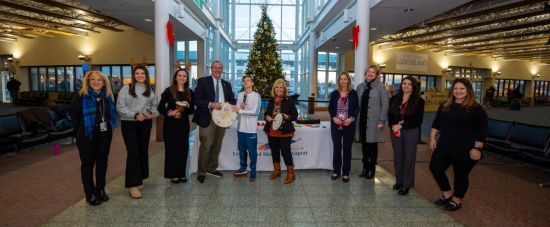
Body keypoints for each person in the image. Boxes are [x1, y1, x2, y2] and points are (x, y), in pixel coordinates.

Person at [429, 78, 488, 211]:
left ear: (468, 90)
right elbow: (437, 123)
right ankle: (447, 193)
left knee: (460, 175)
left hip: (466, 148)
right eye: (455, 88)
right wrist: (432, 138)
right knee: (435, 168)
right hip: (445, 145)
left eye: (462, 89)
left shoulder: (476, 109)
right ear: (452, 90)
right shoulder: (445, 105)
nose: (458, 91)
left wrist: (477, 148)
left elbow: (481, 130)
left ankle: (457, 199)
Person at [70, 71, 118, 206]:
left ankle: (100, 190)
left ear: (104, 82)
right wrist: (79, 134)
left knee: (102, 161)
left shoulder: (108, 97)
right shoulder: (80, 97)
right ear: (88, 81)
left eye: (99, 80)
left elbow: (110, 115)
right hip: (86, 134)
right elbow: (74, 118)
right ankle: (89, 193)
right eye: (93, 80)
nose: (96, 82)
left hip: (105, 133)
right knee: (88, 164)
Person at [116, 65, 159, 199]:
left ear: (146, 76)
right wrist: (134, 115)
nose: (140, 75)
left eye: (143, 73)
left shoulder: (149, 90)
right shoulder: (126, 89)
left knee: (142, 151)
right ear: (134, 75)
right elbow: (119, 108)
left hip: (145, 124)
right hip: (129, 124)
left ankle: (139, 178)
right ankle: (132, 185)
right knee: (133, 152)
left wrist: (152, 114)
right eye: (137, 73)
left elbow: (155, 107)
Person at [192, 60, 236, 183]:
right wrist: (211, 104)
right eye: (215, 68)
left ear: (222, 70)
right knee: (206, 144)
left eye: (220, 68)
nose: (217, 70)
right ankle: (202, 171)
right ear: (211, 69)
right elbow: (196, 100)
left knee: (217, 144)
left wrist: (229, 106)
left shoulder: (227, 84)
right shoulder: (203, 82)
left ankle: (211, 168)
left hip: (222, 120)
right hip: (207, 117)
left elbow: (232, 100)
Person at [388, 76, 425, 195]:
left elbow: (418, 120)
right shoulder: (394, 98)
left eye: (409, 84)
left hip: (410, 131)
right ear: (401, 85)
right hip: (395, 131)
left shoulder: (419, 101)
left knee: (409, 158)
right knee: (398, 157)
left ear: (413, 87)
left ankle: (407, 184)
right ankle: (399, 181)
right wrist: (393, 125)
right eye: (404, 83)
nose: (406, 86)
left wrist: (401, 126)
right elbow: (390, 114)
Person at [157, 68, 195, 184]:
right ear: (175, 77)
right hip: (170, 124)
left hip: (183, 124)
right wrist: (170, 112)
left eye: (184, 76)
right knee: (171, 149)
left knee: (183, 149)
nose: (181, 78)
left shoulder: (190, 92)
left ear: (187, 79)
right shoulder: (169, 91)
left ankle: (182, 173)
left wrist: (188, 105)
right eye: (179, 75)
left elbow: (192, 111)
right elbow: (160, 107)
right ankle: (173, 174)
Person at [356, 65, 389, 179]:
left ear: (376, 75)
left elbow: (385, 104)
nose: (370, 74)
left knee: (372, 146)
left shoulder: (380, 87)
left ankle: (371, 169)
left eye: (373, 72)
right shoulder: (360, 87)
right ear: (365, 73)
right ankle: (365, 168)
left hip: (374, 122)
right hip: (362, 121)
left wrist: (381, 120)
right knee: (364, 145)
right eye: (368, 72)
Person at [264, 79, 298, 184]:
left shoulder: (289, 101)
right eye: (277, 87)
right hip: (272, 130)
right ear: (274, 89)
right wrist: (268, 117)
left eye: (281, 87)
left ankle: (291, 174)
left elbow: (295, 116)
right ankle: (277, 171)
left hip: (285, 131)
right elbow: (266, 114)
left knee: (285, 151)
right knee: (274, 150)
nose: (279, 89)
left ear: (284, 89)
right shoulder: (271, 100)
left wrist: (287, 116)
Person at [328, 72, 359, 182]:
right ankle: (336, 170)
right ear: (338, 81)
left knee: (347, 147)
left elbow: (356, 108)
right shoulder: (334, 93)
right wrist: (334, 118)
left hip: (349, 125)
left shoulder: (353, 93)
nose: (343, 81)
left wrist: (351, 119)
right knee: (337, 146)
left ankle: (346, 172)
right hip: (336, 124)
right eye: (341, 79)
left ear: (348, 81)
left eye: (345, 79)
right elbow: (330, 108)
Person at [232, 75, 261, 181]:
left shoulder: (257, 95)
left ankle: (253, 171)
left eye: (248, 80)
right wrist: (237, 110)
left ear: (252, 83)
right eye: (244, 81)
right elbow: (237, 111)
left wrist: (241, 110)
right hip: (240, 128)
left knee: (252, 152)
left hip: (250, 130)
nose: (246, 82)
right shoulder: (240, 95)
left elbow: (255, 112)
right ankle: (243, 168)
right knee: (242, 150)